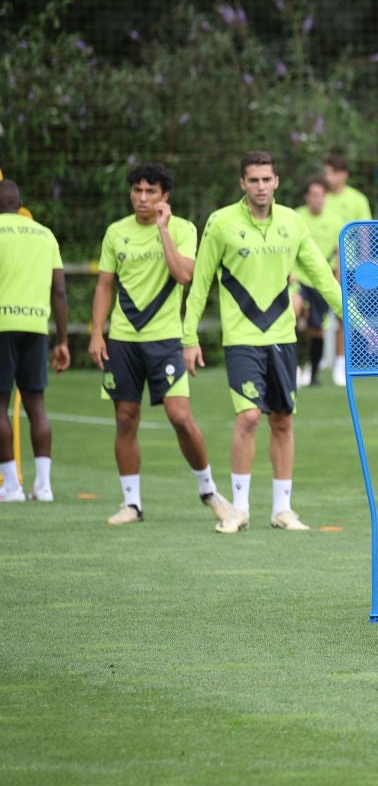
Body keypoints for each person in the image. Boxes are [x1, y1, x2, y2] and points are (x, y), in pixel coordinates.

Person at [182, 151, 347, 533]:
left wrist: (355, 319)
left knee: (283, 421)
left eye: (266, 180)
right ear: (242, 183)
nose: (260, 187)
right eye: (253, 180)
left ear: (276, 182)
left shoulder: (292, 222)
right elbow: (201, 281)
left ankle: (283, 510)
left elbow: (322, 277)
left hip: (282, 338)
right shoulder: (221, 223)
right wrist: (189, 337)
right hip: (241, 339)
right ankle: (238, 509)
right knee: (249, 416)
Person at [88, 162, 233, 526]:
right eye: (137, 190)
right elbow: (105, 285)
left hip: (166, 339)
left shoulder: (183, 229)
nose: (142, 198)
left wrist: (163, 231)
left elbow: (184, 275)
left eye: (150, 192)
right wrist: (96, 333)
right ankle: (132, 505)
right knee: (125, 418)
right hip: (122, 340)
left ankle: (209, 491)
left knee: (180, 417)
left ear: (164, 197)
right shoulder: (115, 233)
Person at [0, 180, 69, 502]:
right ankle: (43, 486)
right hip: (35, 327)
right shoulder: (44, 234)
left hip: (1, 324)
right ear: (19, 202)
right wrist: (62, 340)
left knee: (0, 406)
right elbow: (59, 291)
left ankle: (11, 487)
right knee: (36, 406)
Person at [322, 155, 372, 387]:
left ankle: (342, 364)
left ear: (344, 174)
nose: (327, 178)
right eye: (325, 173)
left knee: (345, 313)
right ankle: (320, 359)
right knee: (316, 315)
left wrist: (364, 267)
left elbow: (364, 233)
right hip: (320, 265)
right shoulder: (320, 196)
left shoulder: (357, 199)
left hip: (348, 266)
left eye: (331, 172)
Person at [292, 176, 342, 387]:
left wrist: (337, 281)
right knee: (292, 310)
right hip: (298, 278)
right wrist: (288, 272)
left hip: (321, 281)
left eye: (322, 195)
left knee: (316, 329)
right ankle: (291, 367)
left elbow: (340, 255)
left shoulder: (335, 222)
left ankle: (312, 374)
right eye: (314, 195)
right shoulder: (294, 217)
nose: (319, 199)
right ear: (306, 197)